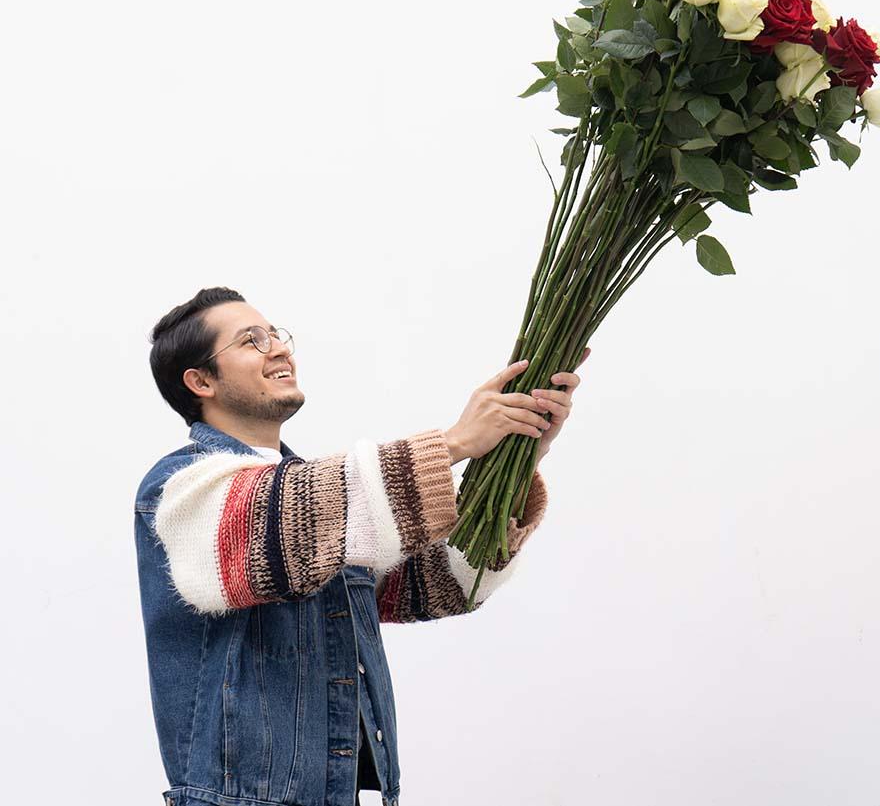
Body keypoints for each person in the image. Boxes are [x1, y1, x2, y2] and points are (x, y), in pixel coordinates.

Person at [134, 286, 588, 806]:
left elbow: (439, 585)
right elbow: (283, 524)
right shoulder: (181, 491)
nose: (279, 348)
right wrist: (457, 442)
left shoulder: (334, 505)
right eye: (250, 341)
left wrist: (518, 450)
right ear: (201, 381)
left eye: (276, 335)